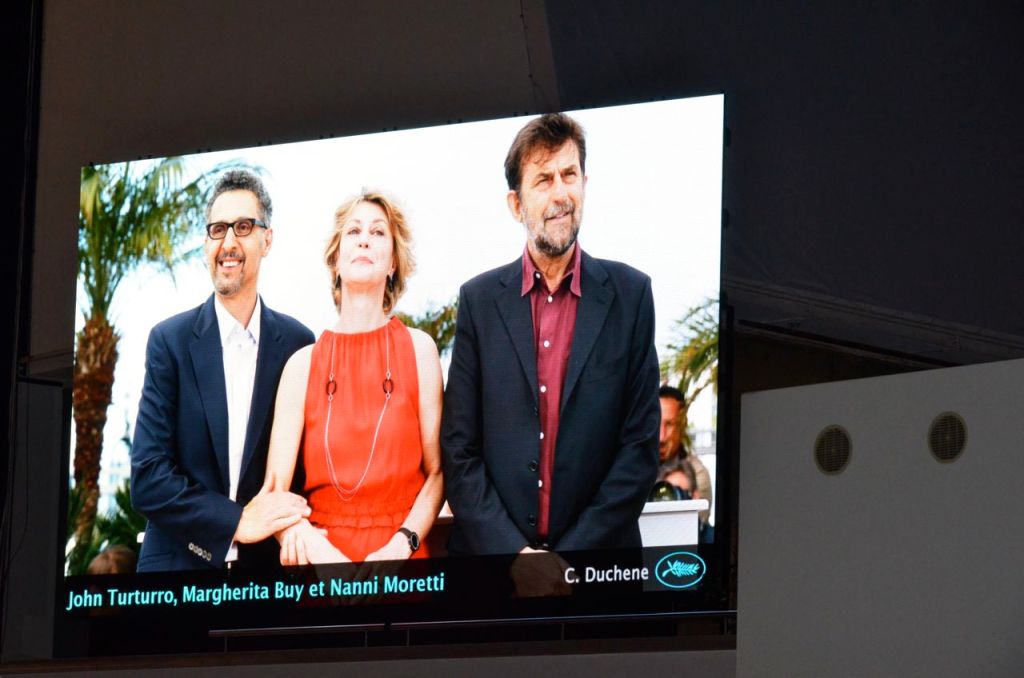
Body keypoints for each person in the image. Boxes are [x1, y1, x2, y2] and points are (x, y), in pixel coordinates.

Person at [442, 112, 660, 556]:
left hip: (600, 574)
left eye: (570, 174)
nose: (561, 193)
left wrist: (568, 561)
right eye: (543, 179)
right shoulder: (479, 302)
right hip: (496, 576)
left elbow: (638, 451)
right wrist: (516, 557)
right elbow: (460, 452)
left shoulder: (632, 295)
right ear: (516, 204)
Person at [131, 170, 316, 572]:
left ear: (268, 240)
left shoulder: (300, 345)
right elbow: (148, 478)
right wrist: (236, 522)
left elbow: (307, 471)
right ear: (205, 244)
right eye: (217, 229)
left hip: (268, 579)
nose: (228, 243)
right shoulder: (169, 341)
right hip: (175, 578)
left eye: (243, 227)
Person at [261, 191, 444, 565]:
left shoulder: (421, 351)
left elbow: (439, 473)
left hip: (404, 562)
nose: (364, 238)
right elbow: (275, 490)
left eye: (378, 232)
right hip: (320, 564)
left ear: (393, 262)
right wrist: (314, 547)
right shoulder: (302, 365)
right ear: (335, 261)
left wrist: (400, 546)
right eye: (353, 231)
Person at [657, 385, 713, 526]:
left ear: (682, 426)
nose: (661, 437)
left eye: (669, 424)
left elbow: (694, 532)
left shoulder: (697, 474)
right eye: (656, 423)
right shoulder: (632, 468)